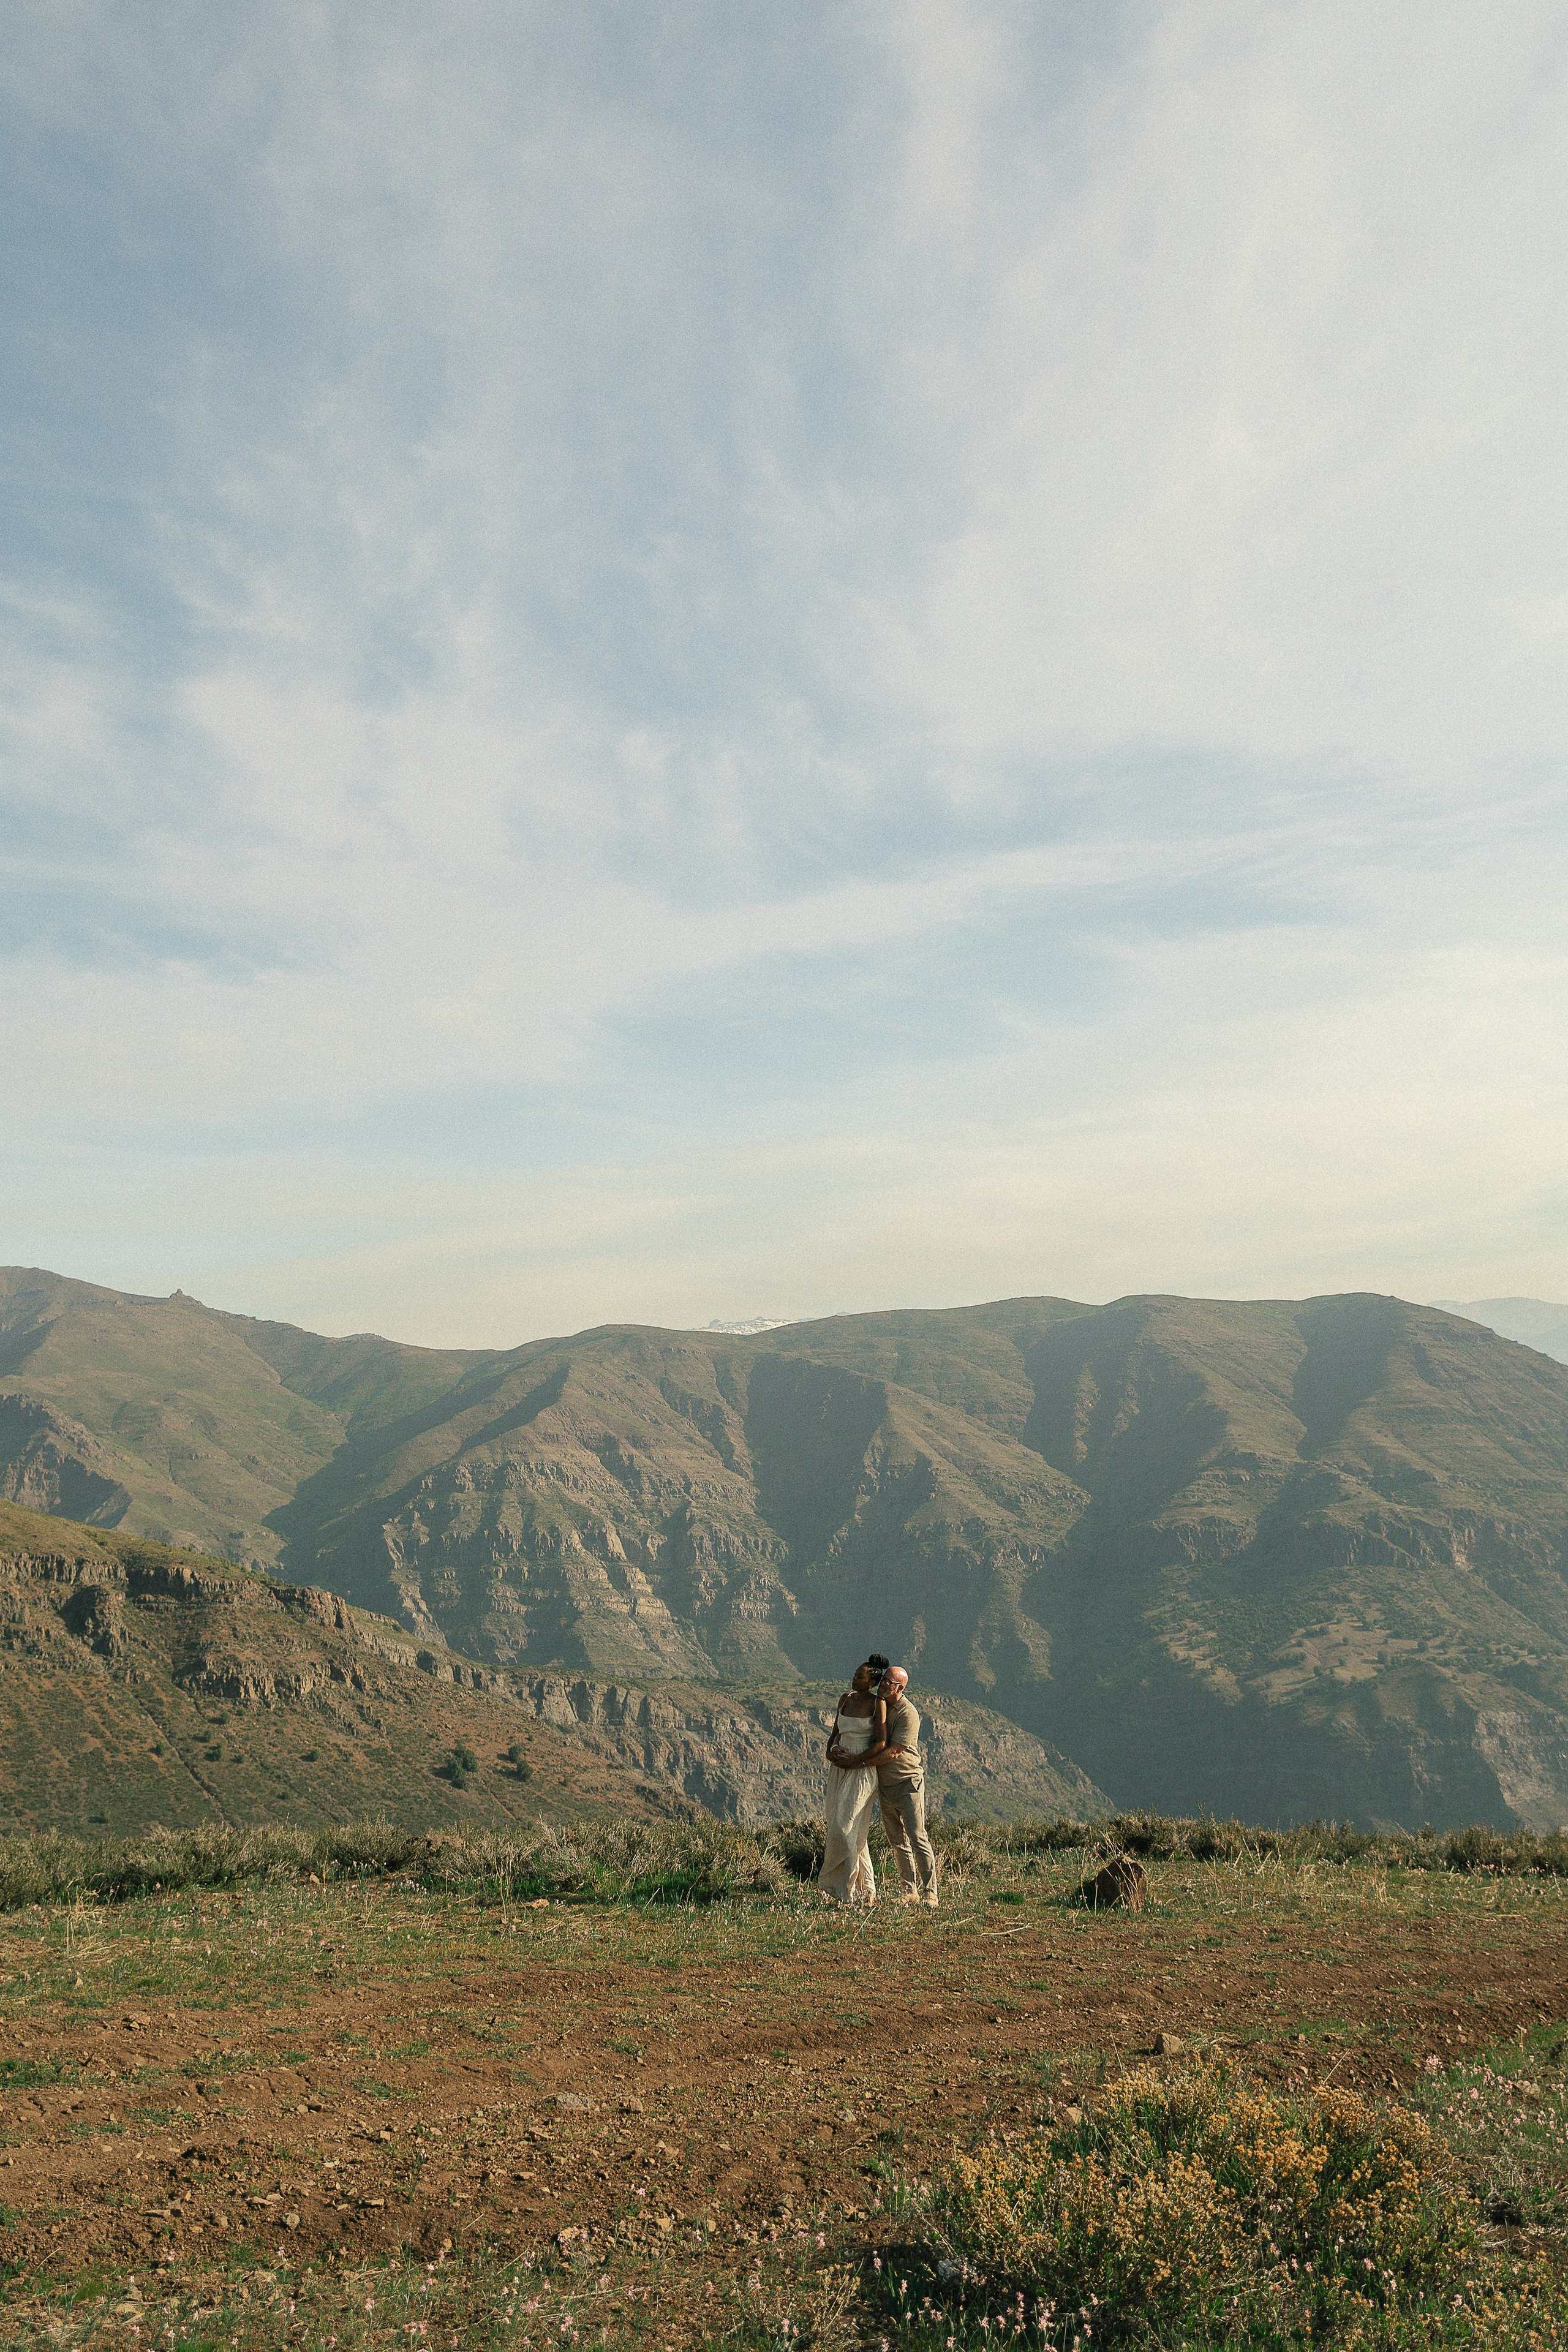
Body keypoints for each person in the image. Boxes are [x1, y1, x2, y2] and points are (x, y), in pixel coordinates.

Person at [817, 1656, 888, 1904]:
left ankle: (841, 1889)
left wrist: (856, 1760)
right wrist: (830, 1751)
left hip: (861, 1770)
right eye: (855, 1674)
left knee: (845, 1827)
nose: (854, 1678)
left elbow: (881, 1742)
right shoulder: (845, 1699)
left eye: (860, 1676)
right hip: (839, 1769)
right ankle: (865, 1890)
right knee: (851, 1831)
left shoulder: (877, 1704)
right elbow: (836, 1732)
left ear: (872, 1682)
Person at [866, 1665, 939, 1907]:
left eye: (889, 1682)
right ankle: (910, 1891)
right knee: (897, 1840)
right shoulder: (882, 1706)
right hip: (886, 1786)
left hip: (908, 1783)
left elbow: (894, 1751)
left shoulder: (908, 1713)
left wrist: (862, 1763)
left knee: (918, 1837)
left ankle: (931, 1893)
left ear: (900, 1688)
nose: (883, 1684)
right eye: (883, 1680)